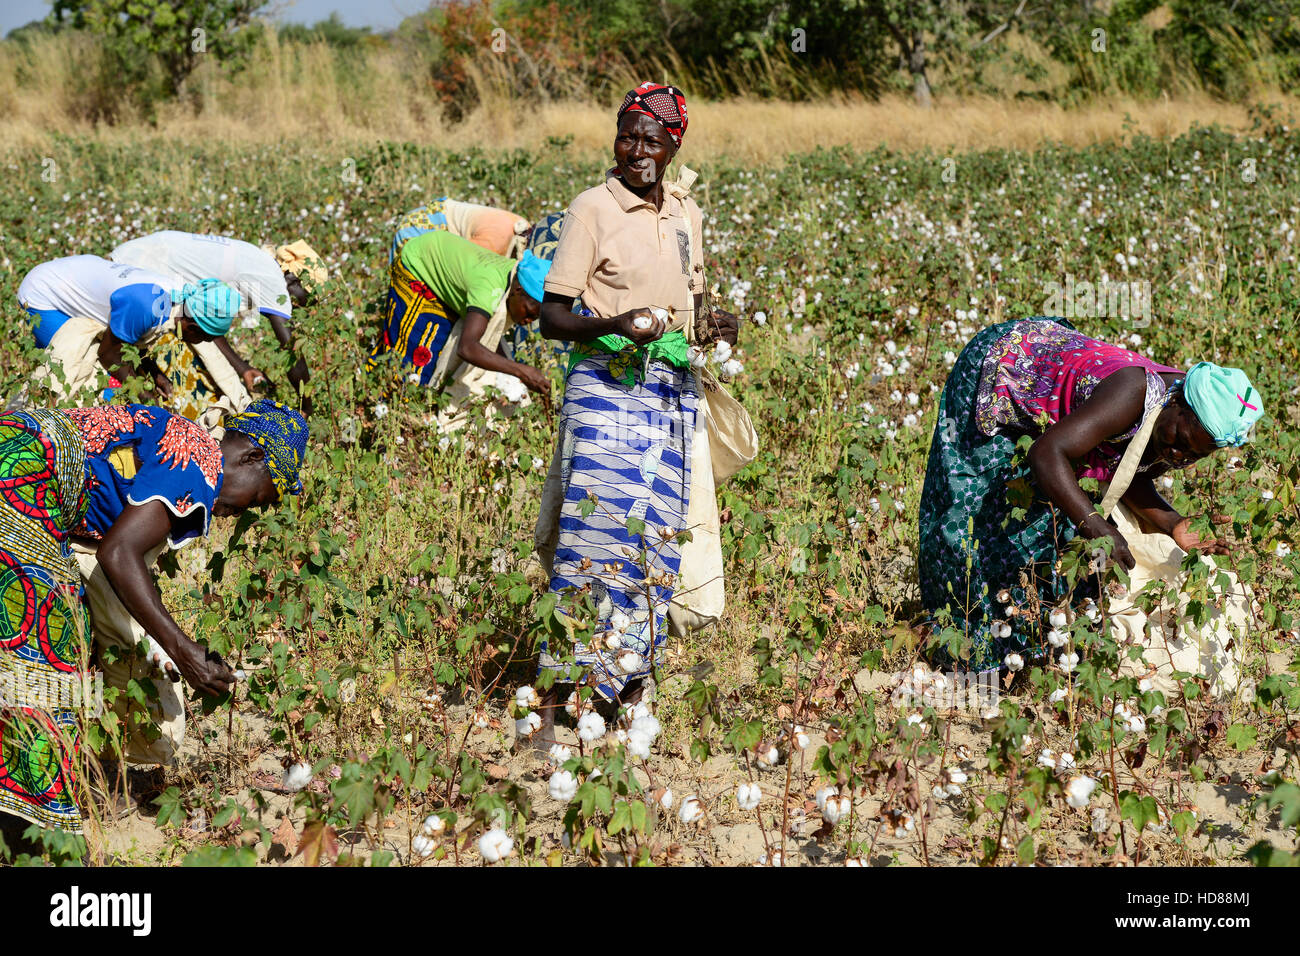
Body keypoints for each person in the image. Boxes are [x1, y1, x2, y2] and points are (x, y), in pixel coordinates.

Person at [530, 82, 741, 745]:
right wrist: (617, 322)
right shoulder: (592, 209)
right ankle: (565, 688)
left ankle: (630, 682)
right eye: (627, 138)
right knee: (597, 534)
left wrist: (716, 321)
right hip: (605, 385)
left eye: (652, 141)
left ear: (674, 145)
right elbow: (553, 315)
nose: (637, 152)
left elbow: (693, 298)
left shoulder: (685, 213)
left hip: (672, 388)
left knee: (654, 536)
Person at [0, 399, 306, 836]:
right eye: (260, 495)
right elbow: (117, 552)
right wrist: (184, 651)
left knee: (72, 630)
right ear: (252, 457)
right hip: (21, 472)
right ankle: (34, 834)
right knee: (46, 654)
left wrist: (163, 643)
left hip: (19, 448)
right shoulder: (199, 462)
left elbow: (111, 556)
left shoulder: (184, 444)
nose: (247, 511)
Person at [919, 316, 1264, 691]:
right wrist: (1096, 523)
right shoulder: (1131, 395)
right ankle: (958, 646)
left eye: (1193, 455)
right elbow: (1048, 452)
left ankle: (1020, 651)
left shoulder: (1178, 423)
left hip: (1049, 403)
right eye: (1179, 439)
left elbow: (1125, 467)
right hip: (1002, 366)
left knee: (1045, 528)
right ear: (1178, 402)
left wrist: (1173, 524)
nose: (1178, 455)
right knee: (975, 511)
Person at [17, 255, 252, 431]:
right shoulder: (144, 304)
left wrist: (154, 373)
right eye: (204, 338)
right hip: (44, 293)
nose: (203, 343)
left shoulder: (180, 299)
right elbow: (109, 355)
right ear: (191, 326)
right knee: (70, 371)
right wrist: (145, 396)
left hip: (75, 276)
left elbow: (135, 342)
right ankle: (31, 424)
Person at [366, 230, 553, 428]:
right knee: (418, 354)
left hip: (440, 257)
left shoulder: (511, 278)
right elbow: (467, 348)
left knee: (438, 348)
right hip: (418, 264)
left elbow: (487, 339)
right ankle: (379, 406)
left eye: (535, 318)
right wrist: (522, 371)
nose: (528, 320)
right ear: (518, 291)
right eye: (530, 312)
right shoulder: (489, 287)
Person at [109, 232, 327, 396]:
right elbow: (291, 350)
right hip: (142, 265)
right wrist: (305, 406)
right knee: (120, 344)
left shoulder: (260, 263)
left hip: (143, 254)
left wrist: (243, 369)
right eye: (307, 298)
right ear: (294, 279)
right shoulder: (273, 280)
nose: (301, 307)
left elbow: (206, 324)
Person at [390, 197, 531, 264]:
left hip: (435, 219)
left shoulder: (523, 228)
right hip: (425, 226)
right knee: (409, 283)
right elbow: (460, 263)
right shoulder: (497, 241)